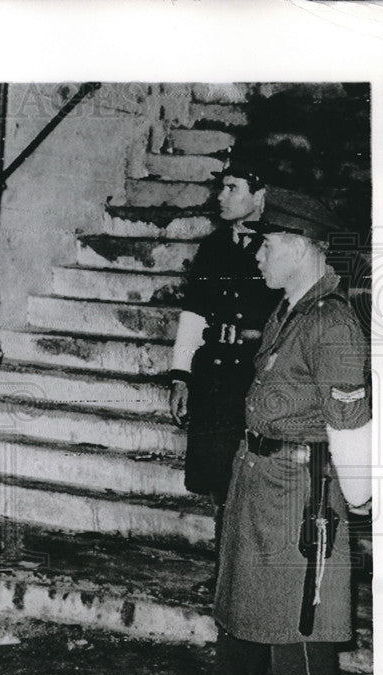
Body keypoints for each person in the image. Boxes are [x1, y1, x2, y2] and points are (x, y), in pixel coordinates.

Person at [163, 188, 372, 675]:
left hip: (299, 484)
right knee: (242, 596)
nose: (258, 255)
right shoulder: (291, 308)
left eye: (269, 243)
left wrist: (357, 497)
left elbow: (348, 420)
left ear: (303, 247)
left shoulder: (331, 322)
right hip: (259, 473)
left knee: (299, 618)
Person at [169, 159, 282, 548]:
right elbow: (193, 313)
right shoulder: (213, 247)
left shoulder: (281, 246)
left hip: (255, 376)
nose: (222, 196)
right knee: (218, 478)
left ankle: (246, 574)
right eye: (223, 187)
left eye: (233, 188)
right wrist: (181, 376)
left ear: (260, 196)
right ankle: (223, 571)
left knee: (252, 477)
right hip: (214, 378)